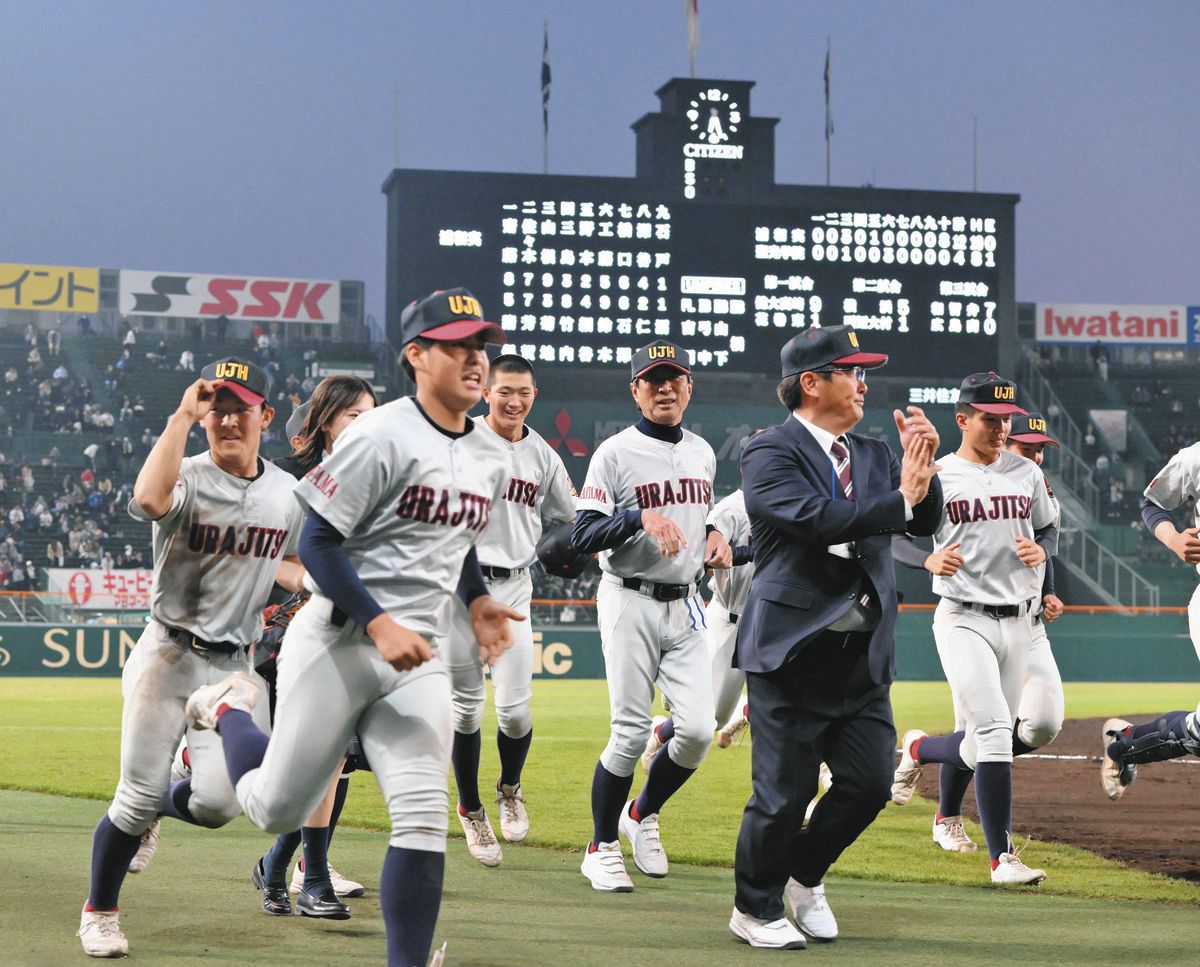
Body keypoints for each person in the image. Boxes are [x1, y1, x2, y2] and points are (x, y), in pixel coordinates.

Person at [184, 287, 520, 967]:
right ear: (417, 356)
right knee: (276, 807)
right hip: (338, 640)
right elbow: (315, 543)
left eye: (479, 344)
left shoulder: (489, 452)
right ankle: (227, 712)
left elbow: (452, 545)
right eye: (457, 345)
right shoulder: (379, 434)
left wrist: (479, 597)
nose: (475, 358)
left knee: (423, 817)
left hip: (413, 655)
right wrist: (378, 619)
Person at [76, 356, 306, 958]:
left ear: (266, 415)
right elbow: (150, 500)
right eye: (217, 407)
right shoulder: (188, 473)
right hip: (168, 655)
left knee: (218, 806)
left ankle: (162, 802)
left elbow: (290, 563)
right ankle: (100, 910)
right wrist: (181, 414)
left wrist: (309, 586)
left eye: (241, 407)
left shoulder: (288, 493)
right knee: (131, 797)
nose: (228, 418)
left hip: (235, 666)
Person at [728, 325, 941, 949]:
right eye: (850, 370)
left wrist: (925, 475)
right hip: (791, 653)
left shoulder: (874, 453)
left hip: (860, 657)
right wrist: (903, 498)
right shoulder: (767, 452)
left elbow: (921, 517)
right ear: (811, 383)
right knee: (782, 797)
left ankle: (803, 875)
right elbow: (815, 520)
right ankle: (753, 908)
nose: (862, 382)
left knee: (871, 784)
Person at [573, 339, 732, 892]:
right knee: (629, 733)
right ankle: (600, 847)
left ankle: (639, 815)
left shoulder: (704, 451)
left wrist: (712, 532)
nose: (665, 388)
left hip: (687, 600)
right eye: (652, 380)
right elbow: (583, 533)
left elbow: (702, 512)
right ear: (635, 391)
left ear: (689, 387)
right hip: (630, 598)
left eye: (674, 379)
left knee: (696, 732)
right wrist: (638, 516)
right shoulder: (614, 453)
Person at [889, 373, 1057, 887]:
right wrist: (927, 558)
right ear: (962, 419)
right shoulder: (938, 473)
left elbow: (1048, 526)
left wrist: (1043, 549)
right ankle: (1002, 859)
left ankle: (916, 750)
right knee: (992, 735)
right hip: (963, 617)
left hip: (1019, 620)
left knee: (989, 739)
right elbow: (892, 533)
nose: (1001, 426)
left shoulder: (1026, 471)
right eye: (989, 417)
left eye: (1006, 417)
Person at [250, 375, 377, 918]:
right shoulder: (291, 480)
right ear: (325, 420)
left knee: (337, 760)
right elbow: (264, 558)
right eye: (354, 416)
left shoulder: (382, 474)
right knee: (317, 757)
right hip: (297, 629)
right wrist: (311, 579)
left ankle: (289, 867)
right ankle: (307, 873)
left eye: (371, 415)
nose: (365, 425)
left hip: (361, 626)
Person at [444, 354, 576, 867]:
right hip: (460, 587)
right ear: (485, 393)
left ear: (533, 396)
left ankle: (509, 787)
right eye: (504, 392)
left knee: (516, 713)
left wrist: (573, 547)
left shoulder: (543, 456)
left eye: (523, 392)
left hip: (515, 588)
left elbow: (569, 519)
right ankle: (472, 810)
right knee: (464, 710)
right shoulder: (461, 442)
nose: (514, 400)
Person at [1100, 437, 1200, 799]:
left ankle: (1124, 741)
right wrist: (1173, 539)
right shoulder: (1196, 458)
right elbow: (1152, 501)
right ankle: (1124, 744)